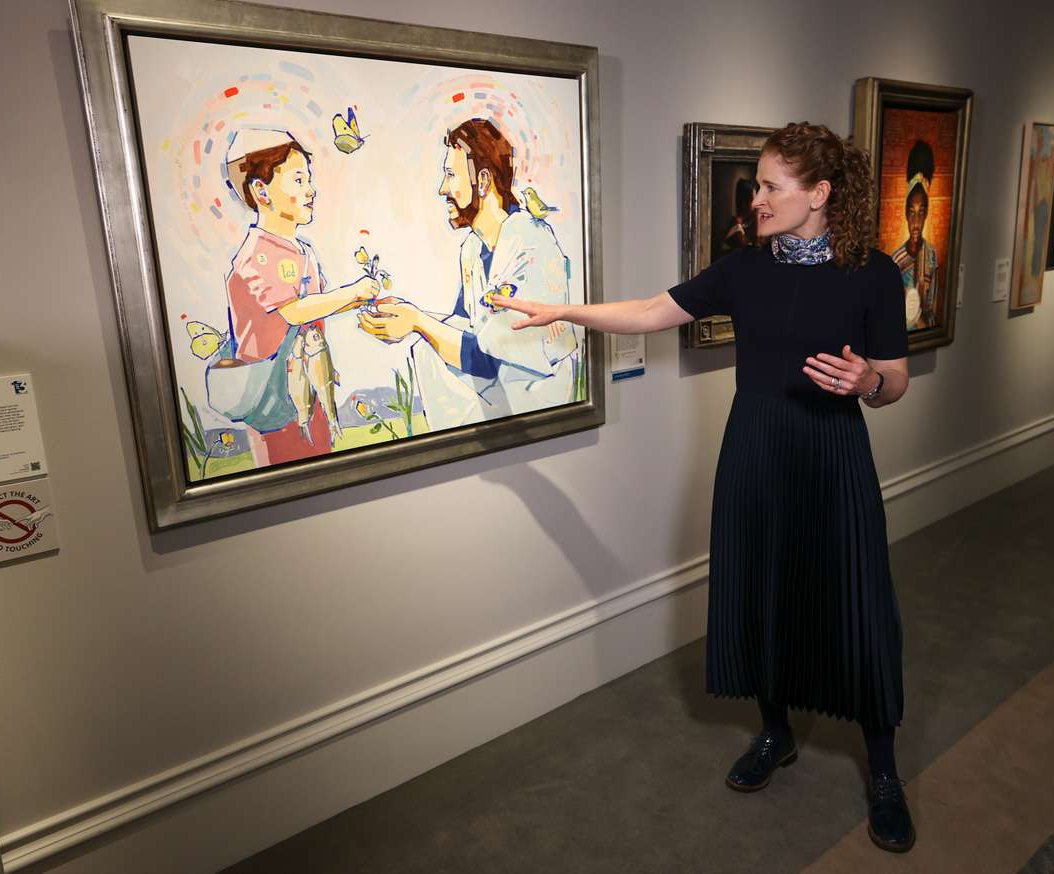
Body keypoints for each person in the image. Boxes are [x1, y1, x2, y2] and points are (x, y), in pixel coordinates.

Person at [493, 122, 916, 854]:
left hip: (832, 454)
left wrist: (868, 380)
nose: (757, 199)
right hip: (753, 450)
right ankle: (776, 731)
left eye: (772, 187)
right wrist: (565, 311)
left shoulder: (873, 274)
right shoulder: (742, 270)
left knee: (854, 599)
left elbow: (895, 378)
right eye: (756, 184)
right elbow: (655, 312)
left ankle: (882, 770)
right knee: (762, 589)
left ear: (819, 194)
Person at [356, 118, 579, 429]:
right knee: (426, 348)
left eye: (450, 175)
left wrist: (417, 321)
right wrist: (407, 317)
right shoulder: (474, 249)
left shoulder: (528, 241)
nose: (442, 189)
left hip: (538, 392)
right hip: (504, 384)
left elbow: (486, 356)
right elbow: (466, 324)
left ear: (483, 181)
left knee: (428, 344)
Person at [221, 129, 377, 466]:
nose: (311, 190)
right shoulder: (256, 255)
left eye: (308, 179)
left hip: (311, 387)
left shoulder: (303, 251)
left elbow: (314, 309)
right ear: (261, 191)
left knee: (322, 459)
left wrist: (361, 299)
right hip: (273, 403)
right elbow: (292, 311)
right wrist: (351, 293)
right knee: (289, 467)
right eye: (298, 179)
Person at [890, 140, 938, 330]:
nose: (916, 222)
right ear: (905, 215)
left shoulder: (931, 255)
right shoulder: (896, 260)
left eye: (921, 212)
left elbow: (931, 309)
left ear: (926, 214)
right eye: (912, 212)